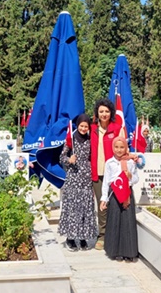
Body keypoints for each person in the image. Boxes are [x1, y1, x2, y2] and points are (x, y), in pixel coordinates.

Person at [59, 114, 98, 251]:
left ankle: (82, 237)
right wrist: (69, 160)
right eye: (81, 126)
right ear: (77, 125)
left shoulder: (90, 139)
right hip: (73, 177)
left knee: (85, 208)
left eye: (86, 126)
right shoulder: (71, 140)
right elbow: (62, 157)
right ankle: (70, 238)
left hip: (86, 178)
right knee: (72, 208)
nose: (83, 128)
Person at [90, 98, 125, 250]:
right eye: (101, 111)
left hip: (114, 174)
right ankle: (102, 235)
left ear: (111, 112)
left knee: (116, 204)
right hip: (97, 173)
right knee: (102, 204)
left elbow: (124, 148)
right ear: (97, 113)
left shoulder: (117, 128)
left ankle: (116, 235)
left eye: (106, 111)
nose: (104, 114)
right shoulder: (91, 129)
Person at [100, 136, 139, 262]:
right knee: (115, 221)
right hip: (114, 194)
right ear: (112, 148)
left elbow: (136, 179)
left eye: (122, 147)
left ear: (126, 148)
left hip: (127, 194)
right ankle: (115, 251)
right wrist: (104, 198)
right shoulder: (109, 162)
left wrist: (130, 176)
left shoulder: (131, 162)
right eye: (116, 147)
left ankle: (128, 252)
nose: (119, 150)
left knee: (127, 222)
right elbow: (106, 181)